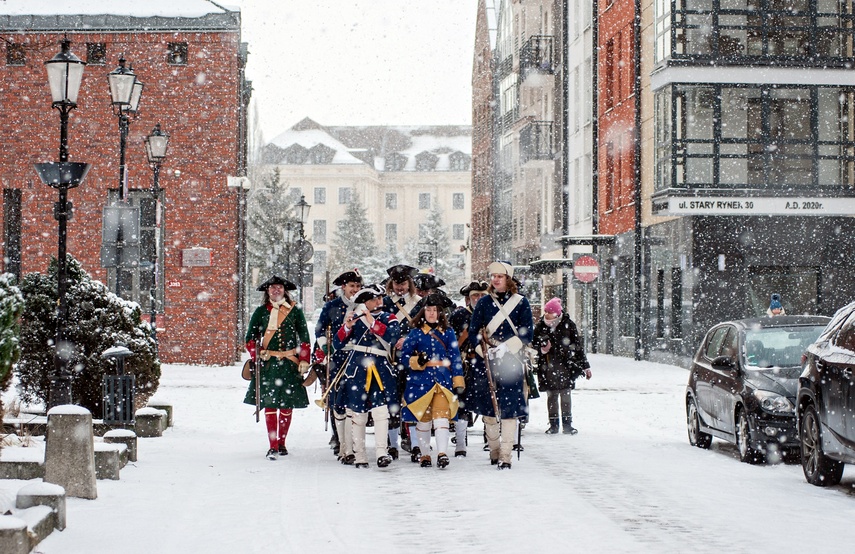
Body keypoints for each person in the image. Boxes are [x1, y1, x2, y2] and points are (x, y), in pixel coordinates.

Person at [466, 261, 533, 469]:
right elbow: (473, 332)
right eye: (493, 276)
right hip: (487, 360)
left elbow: (526, 332)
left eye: (500, 276)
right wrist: (483, 350)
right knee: (488, 407)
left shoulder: (521, 303)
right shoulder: (485, 303)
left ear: (508, 279)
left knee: (510, 409)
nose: (495, 279)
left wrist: (507, 348)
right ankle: (494, 450)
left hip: (511, 361)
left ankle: (505, 455)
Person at [333, 283, 401, 468]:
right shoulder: (355, 318)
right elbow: (337, 344)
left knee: (381, 411)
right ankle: (360, 454)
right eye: (374, 299)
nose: (379, 301)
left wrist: (372, 322)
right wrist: (347, 327)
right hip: (357, 370)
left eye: (380, 298)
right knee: (358, 412)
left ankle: (381, 452)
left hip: (380, 369)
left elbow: (393, 337)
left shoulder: (389, 317)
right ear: (365, 302)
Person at [244, 275, 312, 460]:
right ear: (268, 291)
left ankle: (282, 442)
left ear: (284, 290)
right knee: (270, 405)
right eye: (273, 288)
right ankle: (272, 445)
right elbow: (250, 338)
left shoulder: (295, 311)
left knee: (287, 405)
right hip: (269, 364)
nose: (276, 290)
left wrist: (304, 359)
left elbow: (304, 337)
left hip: (290, 363)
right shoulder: (260, 312)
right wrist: (257, 353)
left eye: (279, 288)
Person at [400, 293, 465, 469]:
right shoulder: (415, 333)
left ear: (440, 313)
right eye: (428, 310)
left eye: (435, 310)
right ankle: (425, 454)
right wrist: (417, 361)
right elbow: (404, 357)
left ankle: (442, 454)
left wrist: (458, 382)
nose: (431, 313)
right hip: (420, 381)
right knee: (423, 420)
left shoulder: (448, 332)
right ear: (423, 312)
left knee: (441, 418)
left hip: (442, 380)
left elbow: (455, 358)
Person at [314, 269, 363, 463]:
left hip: (358, 355)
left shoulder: (364, 305)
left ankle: (353, 441)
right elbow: (319, 330)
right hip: (337, 354)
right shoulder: (332, 306)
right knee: (337, 397)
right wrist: (326, 348)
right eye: (352, 286)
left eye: (358, 286)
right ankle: (339, 437)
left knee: (357, 399)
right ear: (343, 287)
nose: (355, 290)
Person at [531, 297, 592, 435]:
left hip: (566, 366)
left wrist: (585, 366)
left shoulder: (568, 325)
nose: (547, 315)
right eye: (546, 312)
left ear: (558, 313)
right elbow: (533, 343)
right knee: (551, 395)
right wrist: (542, 348)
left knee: (565, 394)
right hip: (547, 365)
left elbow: (578, 347)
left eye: (550, 313)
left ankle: (567, 424)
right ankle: (553, 425)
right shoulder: (541, 326)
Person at [382, 264, 421, 459]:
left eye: (403, 283)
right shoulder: (385, 303)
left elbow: (423, 328)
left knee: (412, 399)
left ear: (409, 284)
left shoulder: (419, 303)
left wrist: (408, 339)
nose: (400, 288)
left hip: (412, 359)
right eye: (397, 284)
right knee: (392, 401)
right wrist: (392, 340)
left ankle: (415, 443)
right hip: (390, 358)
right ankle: (392, 444)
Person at [449, 280, 488, 457]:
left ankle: (490, 438)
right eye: (475, 296)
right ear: (467, 299)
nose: (479, 299)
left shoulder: (492, 314)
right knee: (462, 404)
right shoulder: (459, 316)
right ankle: (460, 442)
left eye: (482, 295)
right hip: (465, 364)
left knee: (489, 401)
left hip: (486, 362)